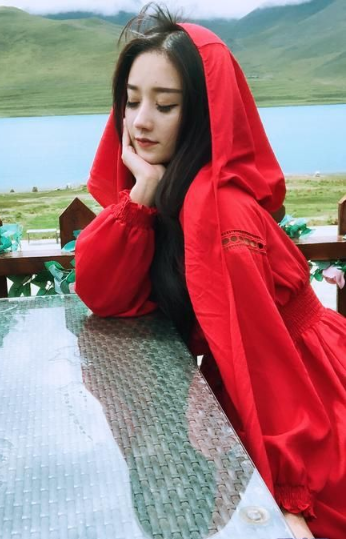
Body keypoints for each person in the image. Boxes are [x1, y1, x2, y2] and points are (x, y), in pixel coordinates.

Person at [75, 5, 346, 539]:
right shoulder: (173, 193)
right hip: (276, 380)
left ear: (202, 113)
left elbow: (263, 357)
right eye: (131, 101)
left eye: (165, 105)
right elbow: (104, 295)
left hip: (303, 388)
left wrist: (287, 490)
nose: (140, 121)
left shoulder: (214, 212)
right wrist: (142, 194)